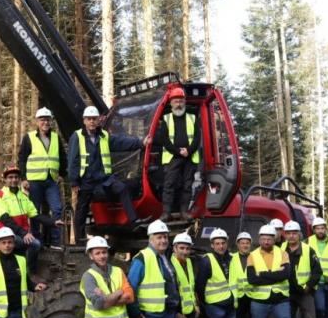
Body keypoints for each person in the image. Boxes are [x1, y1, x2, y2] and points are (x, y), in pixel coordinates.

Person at [68, 105, 150, 241]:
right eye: (89, 119)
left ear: (98, 120)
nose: (92, 122)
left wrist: (140, 142)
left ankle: (134, 221)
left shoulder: (104, 136)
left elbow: (121, 142)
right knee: (81, 208)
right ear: (84, 121)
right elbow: (73, 160)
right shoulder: (77, 137)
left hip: (104, 179)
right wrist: (74, 181)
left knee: (122, 188)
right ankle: (79, 238)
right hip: (86, 180)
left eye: (94, 119)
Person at [245, 225, 300, 318]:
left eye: (269, 238)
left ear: (274, 239)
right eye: (263, 238)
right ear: (259, 239)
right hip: (259, 301)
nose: (266, 241)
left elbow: (286, 274)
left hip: (280, 300)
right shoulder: (252, 255)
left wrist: (263, 274)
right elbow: (252, 279)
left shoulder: (283, 253)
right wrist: (274, 274)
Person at [0, 165, 62, 273]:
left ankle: (27, 273)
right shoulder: (0, 195)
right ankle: (28, 272)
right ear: (5, 179)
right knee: (34, 244)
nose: (14, 180)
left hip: (22, 234)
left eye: (16, 177)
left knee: (31, 247)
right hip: (7, 235)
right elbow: (5, 219)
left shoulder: (23, 196)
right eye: (10, 177)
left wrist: (53, 222)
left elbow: (35, 215)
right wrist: (24, 233)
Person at [19, 107, 67, 249]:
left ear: (51, 121)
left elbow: (62, 157)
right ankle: (36, 240)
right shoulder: (29, 137)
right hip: (34, 181)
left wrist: (62, 174)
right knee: (35, 211)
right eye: (42, 119)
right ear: (37, 121)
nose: (45, 122)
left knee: (57, 208)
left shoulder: (55, 137)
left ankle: (55, 241)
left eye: (47, 119)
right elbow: (22, 158)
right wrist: (24, 178)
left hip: (51, 180)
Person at [157, 88, 201, 221]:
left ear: (184, 102)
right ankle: (166, 213)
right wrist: (178, 151)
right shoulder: (166, 118)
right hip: (172, 157)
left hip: (189, 156)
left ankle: (184, 212)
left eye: (181, 101)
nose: (178, 104)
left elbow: (197, 138)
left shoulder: (192, 118)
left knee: (187, 185)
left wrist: (188, 150)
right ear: (171, 103)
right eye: (176, 101)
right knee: (169, 184)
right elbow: (164, 139)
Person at [281, 220, 322, 318]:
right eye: (288, 233)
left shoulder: (308, 250)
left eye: (294, 233)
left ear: (299, 234)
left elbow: (317, 271)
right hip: (287, 293)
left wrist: (309, 286)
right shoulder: (280, 250)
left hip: (305, 293)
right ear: (284, 235)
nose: (291, 236)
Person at [233, 232, 253, 318]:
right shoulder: (232, 257)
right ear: (238, 244)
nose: (245, 245)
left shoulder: (255, 257)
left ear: (250, 244)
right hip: (238, 296)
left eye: (247, 243)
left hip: (252, 295)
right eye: (242, 243)